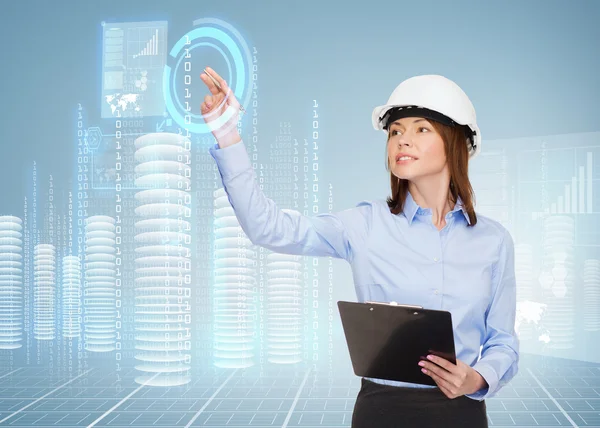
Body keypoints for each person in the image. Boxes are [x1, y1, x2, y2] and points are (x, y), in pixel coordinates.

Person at [200, 67, 519, 428]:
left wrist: (476, 379)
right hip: (382, 411)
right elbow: (267, 227)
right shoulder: (364, 225)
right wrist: (227, 133)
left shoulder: (493, 241)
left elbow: (503, 342)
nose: (402, 140)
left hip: (460, 413)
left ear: (456, 142)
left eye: (421, 129)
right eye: (395, 131)